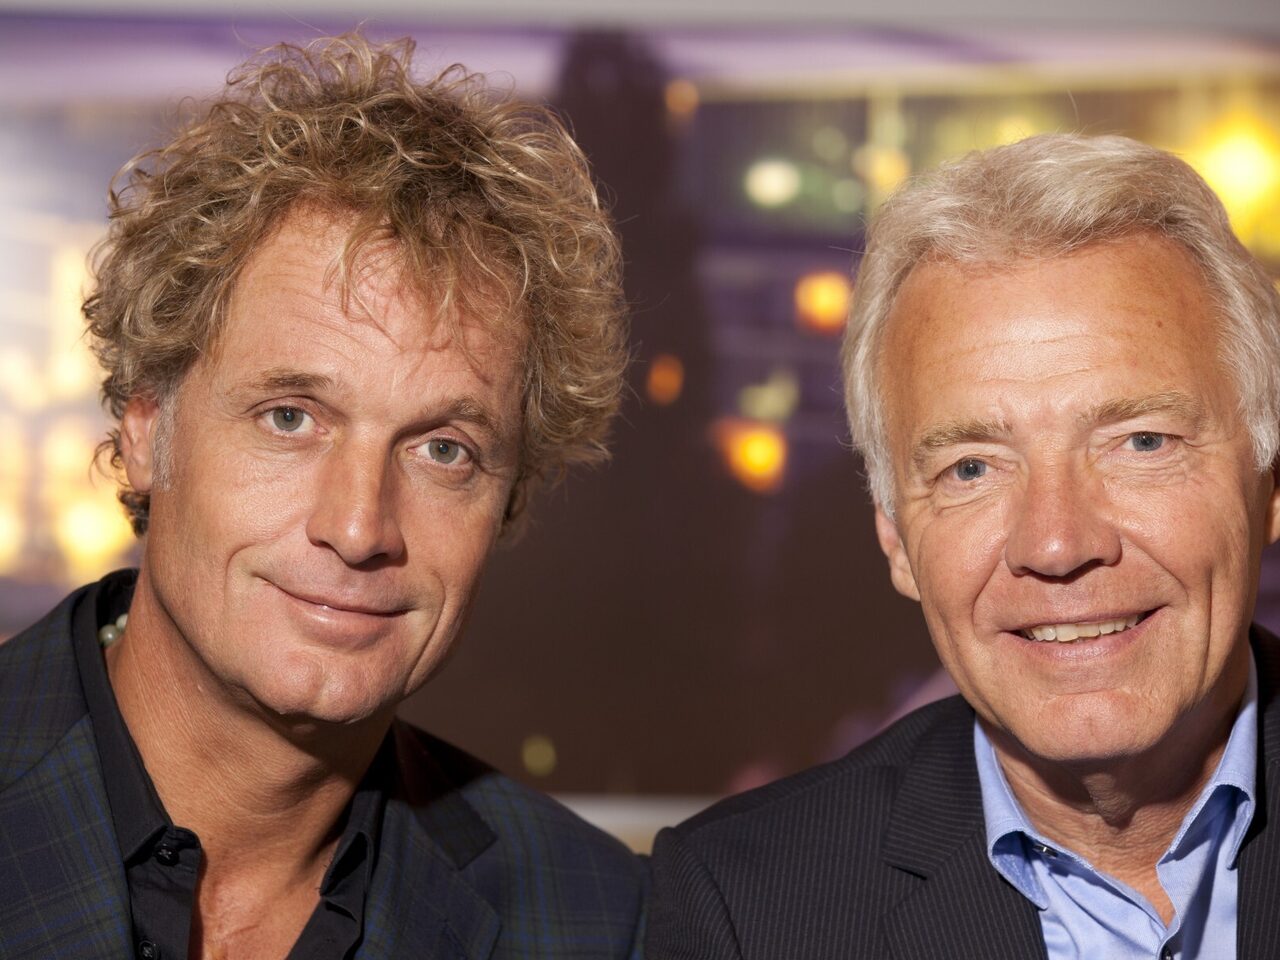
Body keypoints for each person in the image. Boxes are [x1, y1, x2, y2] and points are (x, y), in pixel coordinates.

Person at [0, 35, 645, 960]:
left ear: (507, 503)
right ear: (146, 430)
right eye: (291, 418)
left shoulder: (590, 919)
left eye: (443, 450)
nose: (357, 526)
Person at [647, 133, 1280, 959]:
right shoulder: (744, 910)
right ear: (894, 533)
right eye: (971, 467)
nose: (1057, 542)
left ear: (1269, 483)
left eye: (1142, 442)